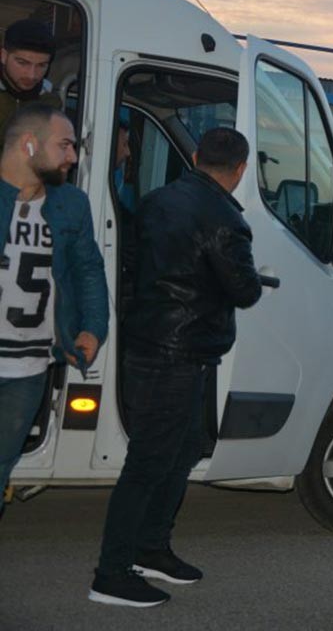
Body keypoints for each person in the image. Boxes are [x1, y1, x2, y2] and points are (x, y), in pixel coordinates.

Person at [91, 127, 263, 608]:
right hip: (179, 352)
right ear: (241, 169)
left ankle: (151, 548)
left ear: (193, 156)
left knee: (182, 449)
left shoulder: (155, 201)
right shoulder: (226, 220)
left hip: (151, 343)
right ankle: (111, 573)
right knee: (150, 461)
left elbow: (130, 266)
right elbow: (244, 290)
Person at [0, 105, 107, 520]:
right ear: (29, 145)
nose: (73, 156)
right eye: (64, 145)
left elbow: (88, 270)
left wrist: (93, 329)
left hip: (28, 370)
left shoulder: (71, 205)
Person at [0, 19, 62, 138]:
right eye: (22, 63)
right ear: (3, 56)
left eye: (41, 65)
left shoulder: (50, 103)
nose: (31, 75)